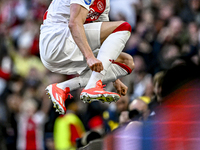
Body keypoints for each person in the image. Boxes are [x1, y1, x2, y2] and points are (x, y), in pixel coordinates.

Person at [39, 0, 135, 114]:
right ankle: (93, 85)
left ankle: (62, 87)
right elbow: (74, 23)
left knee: (127, 62)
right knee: (123, 27)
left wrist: (114, 79)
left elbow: (105, 41)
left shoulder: (105, 3)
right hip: (57, 41)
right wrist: (89, 56)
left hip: (65, 47)